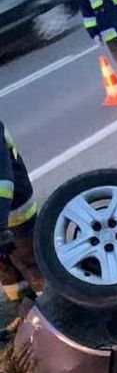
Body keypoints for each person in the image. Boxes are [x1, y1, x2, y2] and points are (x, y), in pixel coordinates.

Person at [0, 119, 43, 333]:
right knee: (6, 270)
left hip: (14, 206)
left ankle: (54, 315)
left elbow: (3, 182)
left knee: (30, 262)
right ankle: (25, 316)